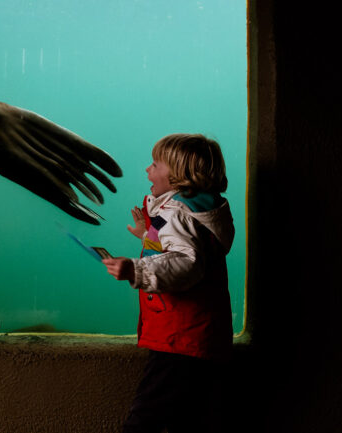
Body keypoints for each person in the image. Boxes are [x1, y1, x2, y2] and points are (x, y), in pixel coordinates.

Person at [103, 133, 234, 433]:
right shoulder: (192, 209)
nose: (147, 170)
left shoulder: (177, 212)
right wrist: (145, 235)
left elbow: (186, 263)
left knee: (146, 416)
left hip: (180, 337)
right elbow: (182, 247)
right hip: (198, 335)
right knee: (187, 416)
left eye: (155, 164)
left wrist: (135, 270)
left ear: (178, 176)